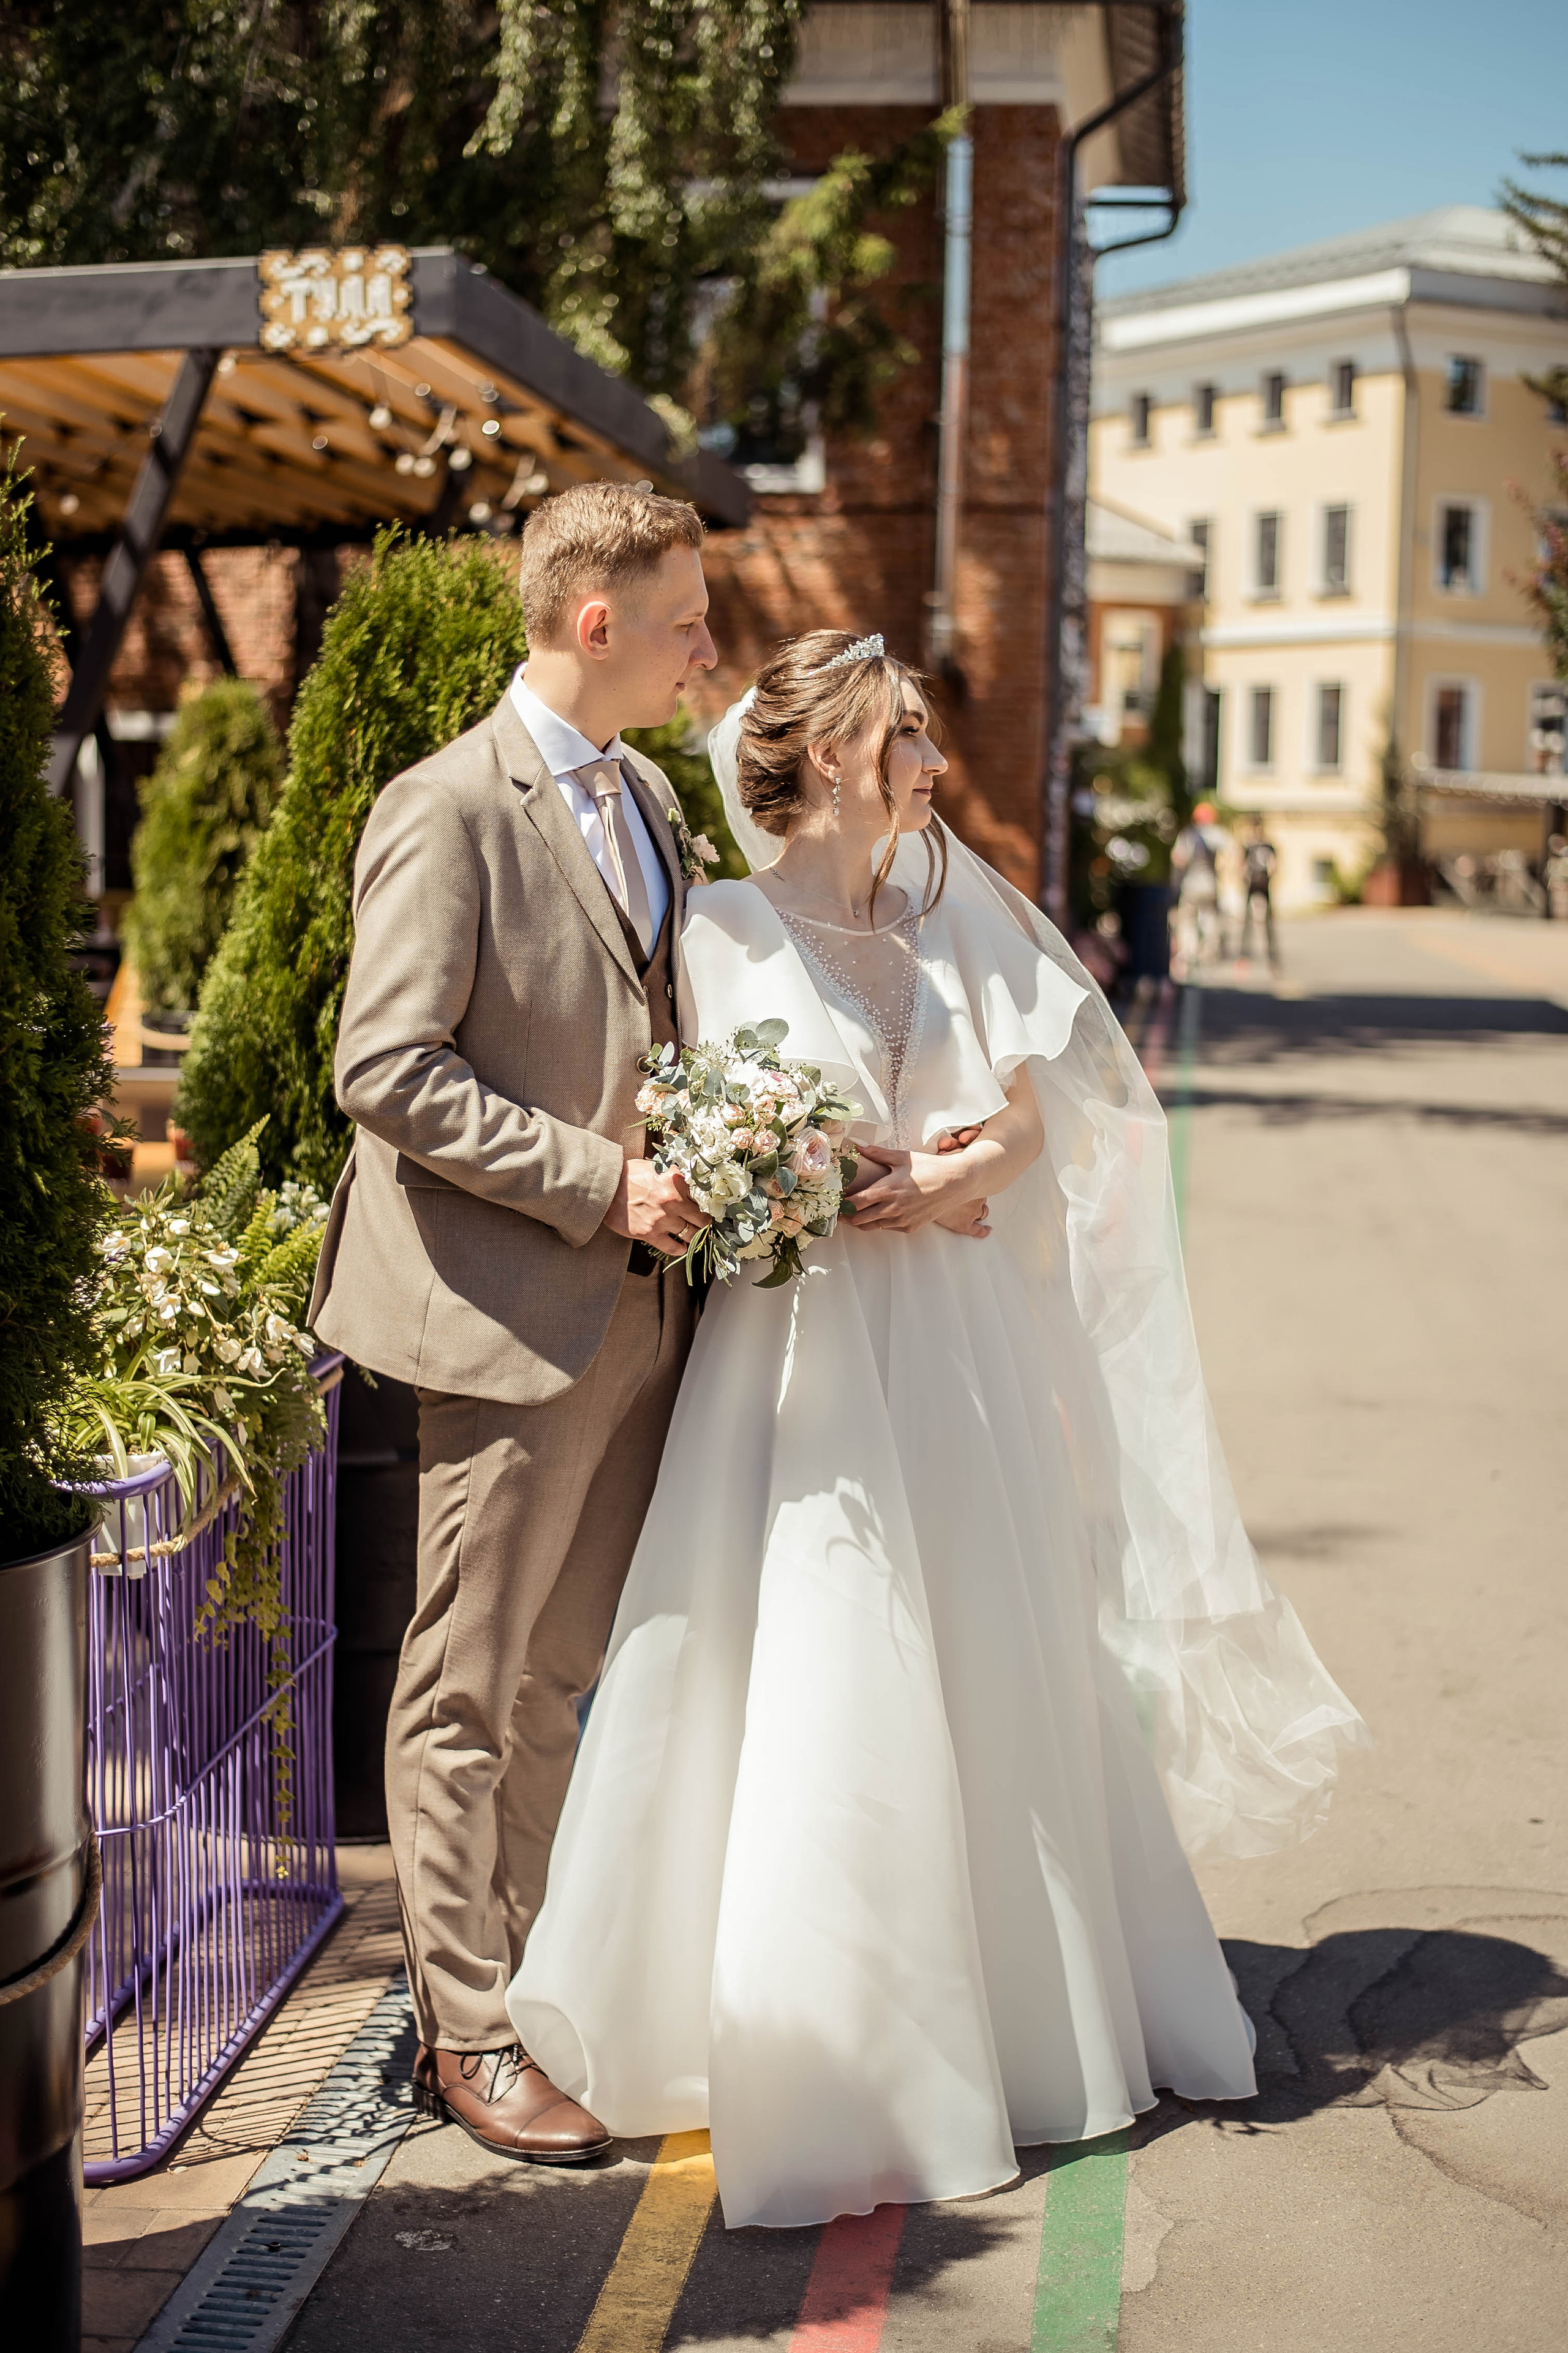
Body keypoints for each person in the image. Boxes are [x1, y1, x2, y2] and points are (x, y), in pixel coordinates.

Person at [508, 632, 1368, 2228]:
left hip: (957, 1355)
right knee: (831, 1676)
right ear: (830, 750)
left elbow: (1053, 1095)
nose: (929, 759)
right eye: (904, 733)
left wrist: (970, 1175)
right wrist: (822, 1180)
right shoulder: (719, 928)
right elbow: (704, 1130)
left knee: (990, 1658)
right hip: (810, 1360)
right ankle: (840, 2054)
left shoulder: (946, 908)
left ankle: (1024, 2004)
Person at [308, 481, 717, 2164]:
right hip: (504, 1312)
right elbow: (383, 1067)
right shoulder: (448, 807)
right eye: (688, 615)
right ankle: (460, 2030)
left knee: (564, 1678)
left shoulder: (659, 809)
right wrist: (598, 1185)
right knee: (465, 1688)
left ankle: (531, 1981)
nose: (711, 645)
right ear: (597, 619)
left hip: (645, 1318)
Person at [1170, 799, 1226, 969]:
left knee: (1187, 919)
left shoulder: (1188, 834)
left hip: (1191, 883)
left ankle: (1190, 951)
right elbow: (1230, 855)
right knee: (1209, 916)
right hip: (1210, 883)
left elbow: (1178, 858)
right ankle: (1207, 950)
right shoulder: (1217, 834)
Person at [1240, 818, 1280, 968]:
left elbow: (1273, 865)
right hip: (1258, 883)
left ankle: (1271, 956)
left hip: (1260, 883)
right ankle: (1247, 954)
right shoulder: (1255, 846)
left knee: (1266, 921)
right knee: (1249, 921)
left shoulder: (1259, 846)